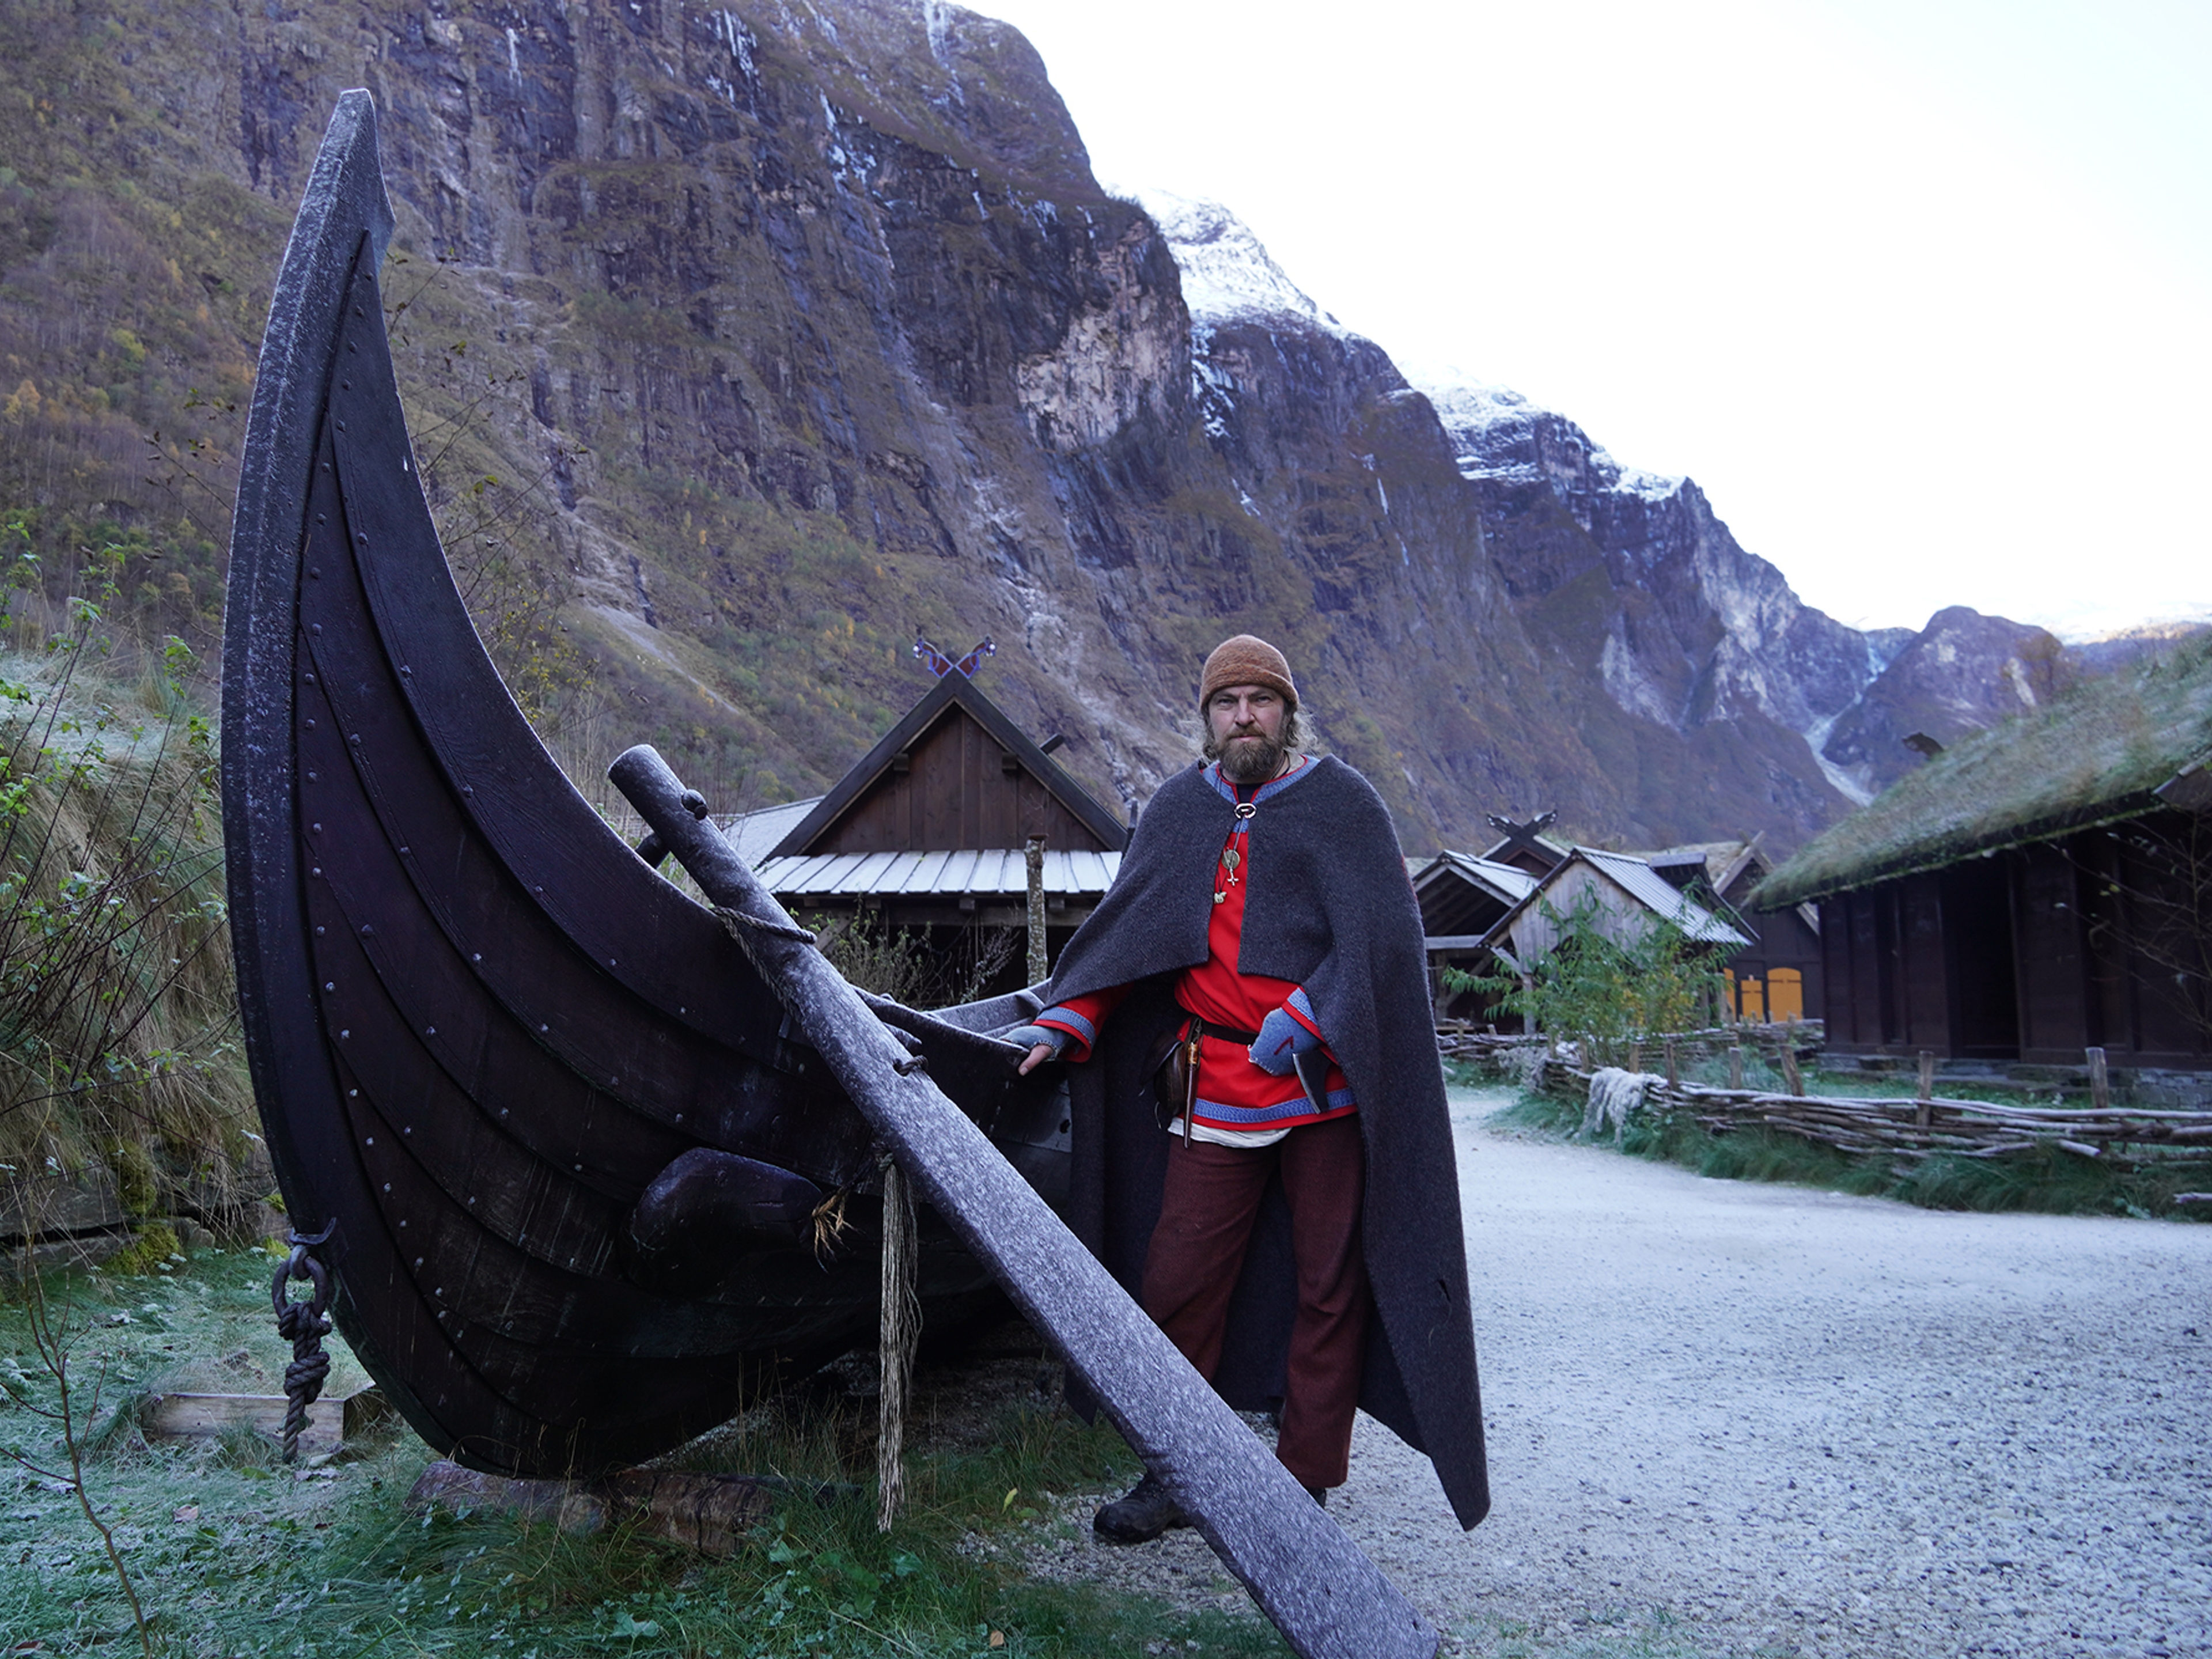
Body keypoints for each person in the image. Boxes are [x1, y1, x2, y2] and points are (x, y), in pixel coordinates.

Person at [1003, 634, 1489, 1543]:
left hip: (1324, 1087)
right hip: (1212, 1084)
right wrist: (1070, 1016)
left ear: (1287, 712)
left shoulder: (1346, 805)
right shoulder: (1179, 809)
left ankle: (1302, 1483)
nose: (1244, 717)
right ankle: (1178, 1471)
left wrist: (1310, 1013)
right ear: (1207, 719)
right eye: (1227, 704)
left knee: (1330, 1286)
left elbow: (1383, 944)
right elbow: (1131, 930)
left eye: (1261, 700)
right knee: (1179, 1275)